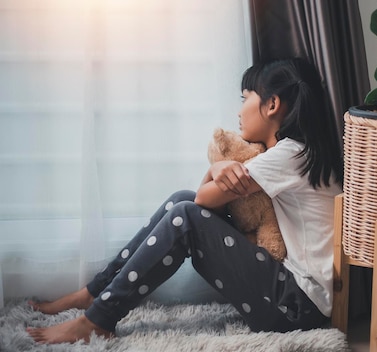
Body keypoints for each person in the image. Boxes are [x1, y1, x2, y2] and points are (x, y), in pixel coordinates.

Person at [26, 57, 344, 344]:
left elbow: (205, 200)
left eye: (245, 99)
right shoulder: (298, 154)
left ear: (272, 104)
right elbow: (203, 200)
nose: (239, 110)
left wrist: (216, 168)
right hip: (294, 299)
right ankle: (94, 294)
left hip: (296, 308)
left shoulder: (288, 156)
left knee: (186, 216)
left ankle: (99, 317)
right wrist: (217, 171)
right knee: (182, 201)